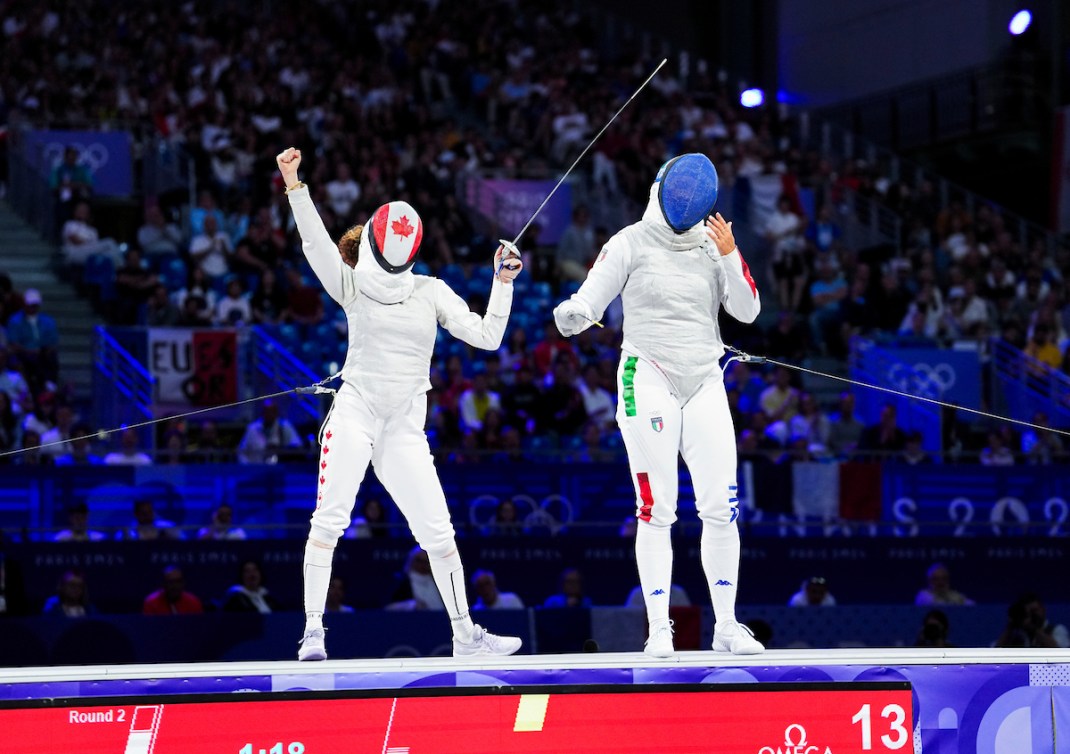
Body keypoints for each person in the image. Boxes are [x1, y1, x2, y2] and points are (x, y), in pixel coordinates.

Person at [277, 147, 523, 660]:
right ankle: (314, 634)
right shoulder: (372, 285)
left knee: (438, 532)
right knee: (329, 520)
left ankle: (464, 637)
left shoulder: (424, 291)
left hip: (403, 428)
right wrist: (501, 282)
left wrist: (294, 182)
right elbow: (314, 242)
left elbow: (484, 337)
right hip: (356, 414)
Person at [552, 153, 764, 658]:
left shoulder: (714, 247)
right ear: (660, 188)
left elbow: (748, 311)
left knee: (721, 507)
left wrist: (732, 255)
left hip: (705, 380)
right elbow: (591, 298)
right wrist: (575, 313)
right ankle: (659, 630)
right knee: (657, 507)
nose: (685, 202)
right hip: (647, 375)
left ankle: (728, 626)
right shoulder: (629, 241)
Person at [237, 399, 302, 464]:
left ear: (277, 412)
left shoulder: (284, 426)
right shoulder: (252, 428)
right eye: (266, 411)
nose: (269, 414)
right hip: (256, 468)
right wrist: (248, 467)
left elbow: (297, 445)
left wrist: (280, 449)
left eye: (272, 411)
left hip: (279, 469)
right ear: (262, 412)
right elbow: (241, 452)